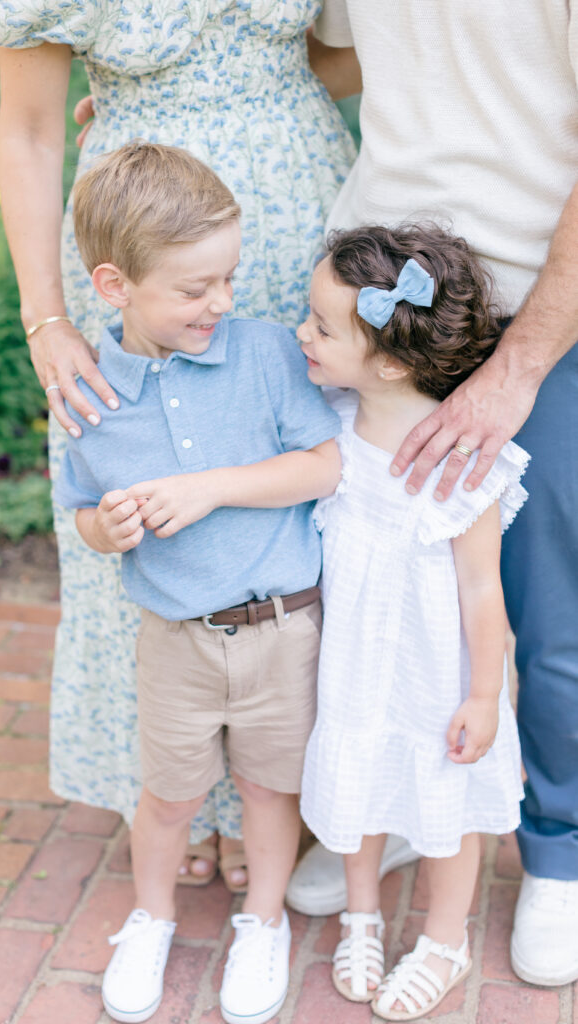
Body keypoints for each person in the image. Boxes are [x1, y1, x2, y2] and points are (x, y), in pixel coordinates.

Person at [0, 0, 357, 892]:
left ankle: (277, 785)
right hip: (139, 246)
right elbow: (25, 130)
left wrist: (246, 99)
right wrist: (45, 316)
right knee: (140, 499)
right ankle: (181, 792)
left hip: (286, 230)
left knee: (298, 501)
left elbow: (344, 60)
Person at [288, 3, 578, 987]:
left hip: (536, 302)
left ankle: (559, 847)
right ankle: (396, 805)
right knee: (363, 584)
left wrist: (522, 362)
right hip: (378, 304)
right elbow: (332, 52)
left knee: (540, 610)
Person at [55, 141, 341, 1024]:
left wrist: (206, 488)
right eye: (193, 289)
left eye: (227, 277)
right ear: (114, 288)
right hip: (173, 642)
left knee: (269, 788)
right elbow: (82, 513)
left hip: (282, 629)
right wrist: (110, 527)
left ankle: (262, 923)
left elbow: (325, 465)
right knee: (169, 794)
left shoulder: (263, 354)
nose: (220, 301)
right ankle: (150, 919)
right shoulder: (88, 391)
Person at [297, 224, 528, 1020]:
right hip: (355, 660)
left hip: (439, 672)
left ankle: (443, 937)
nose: (303, 334)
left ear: (390, 362)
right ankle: (360, 915)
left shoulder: (466, 464)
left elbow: (480, 589)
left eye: (322, 328)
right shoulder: (327, 430)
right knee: (357, 783)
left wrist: (483, 696)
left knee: (448, 808)